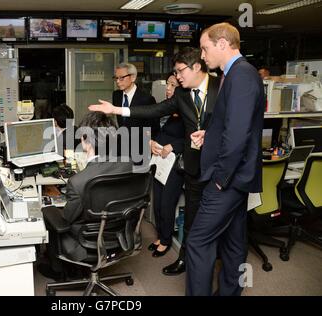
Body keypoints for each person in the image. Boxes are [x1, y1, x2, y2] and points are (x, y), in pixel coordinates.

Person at [89, 47, 221, 276]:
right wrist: (117, 110)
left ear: (197, 67)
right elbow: (154, 110)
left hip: (220, 169)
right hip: (192, 167)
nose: (176, 79)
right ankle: (186, 259)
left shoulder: (223, 87)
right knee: (190, 218)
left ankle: (216, 260)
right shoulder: (182, 95)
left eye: (180, 72)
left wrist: (210, 135)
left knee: (221, 224)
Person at [186, 22, 264, 296]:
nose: (202, 56)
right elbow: (233, 126)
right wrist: (210, 134)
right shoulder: (236, 74)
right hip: (238, 178)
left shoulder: (241, 75)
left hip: (227, 180)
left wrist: (220, 179)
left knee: (197, 242)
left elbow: (238, 134)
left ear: (222, 44)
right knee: (232, 243)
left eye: (205, 49)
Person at [38, 112, 133, 280]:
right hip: (120, 235)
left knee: (50, 214)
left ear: (85, 142)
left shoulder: (77, 181)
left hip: (85, 242)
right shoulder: (129, 165)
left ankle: (59, 270)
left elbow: (67, 218)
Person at [149, 73, 185, 257]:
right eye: (168, 84)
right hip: (160, 161)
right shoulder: (167, 108)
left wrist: (174, 146)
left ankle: (166, 240)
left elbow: (195, 138)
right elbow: (158, 131)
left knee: (167, 204)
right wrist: (152, 142)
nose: (168, 88)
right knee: (157, 203)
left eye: (172, 85)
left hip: (175, 163)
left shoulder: (188, 110)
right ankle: (161, 235)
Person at [112, 63, 159, 162]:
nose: (117, 81)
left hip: (140, 149)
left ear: (133, 77)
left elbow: (153, 128)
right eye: (116, 78)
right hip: (120, 149)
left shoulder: (147, 99)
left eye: (121, 78)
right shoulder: (116, 95)